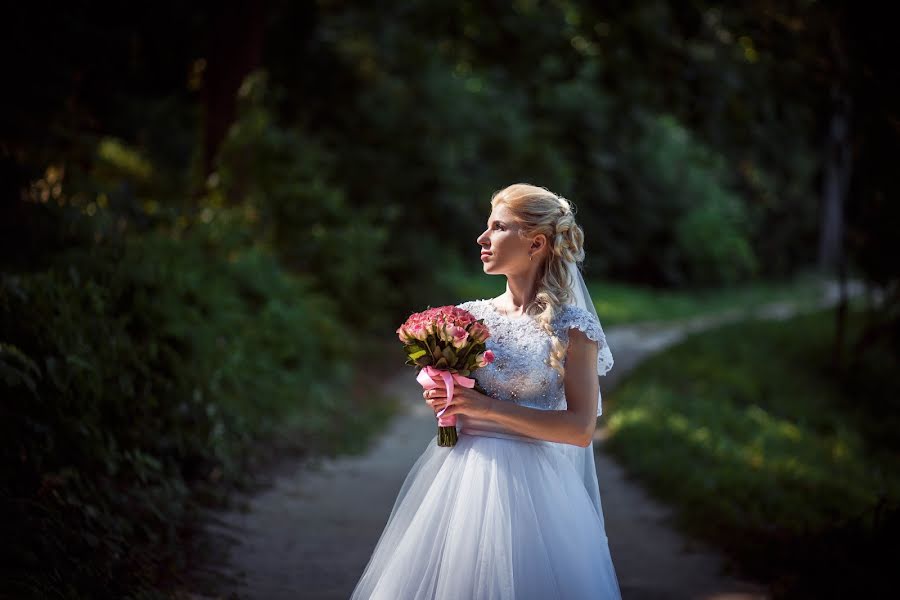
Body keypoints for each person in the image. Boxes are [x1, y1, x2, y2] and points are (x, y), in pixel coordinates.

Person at [350, 183, 622, 599]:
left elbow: (580, 430)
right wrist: (446, 400)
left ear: (536, 242)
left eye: (498, 227)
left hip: (536, 492)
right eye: (486, 226)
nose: (482, 238)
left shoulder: (573, 328)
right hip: (461, 478)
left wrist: (486, 409)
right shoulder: (469, 318)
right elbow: (459, 408)